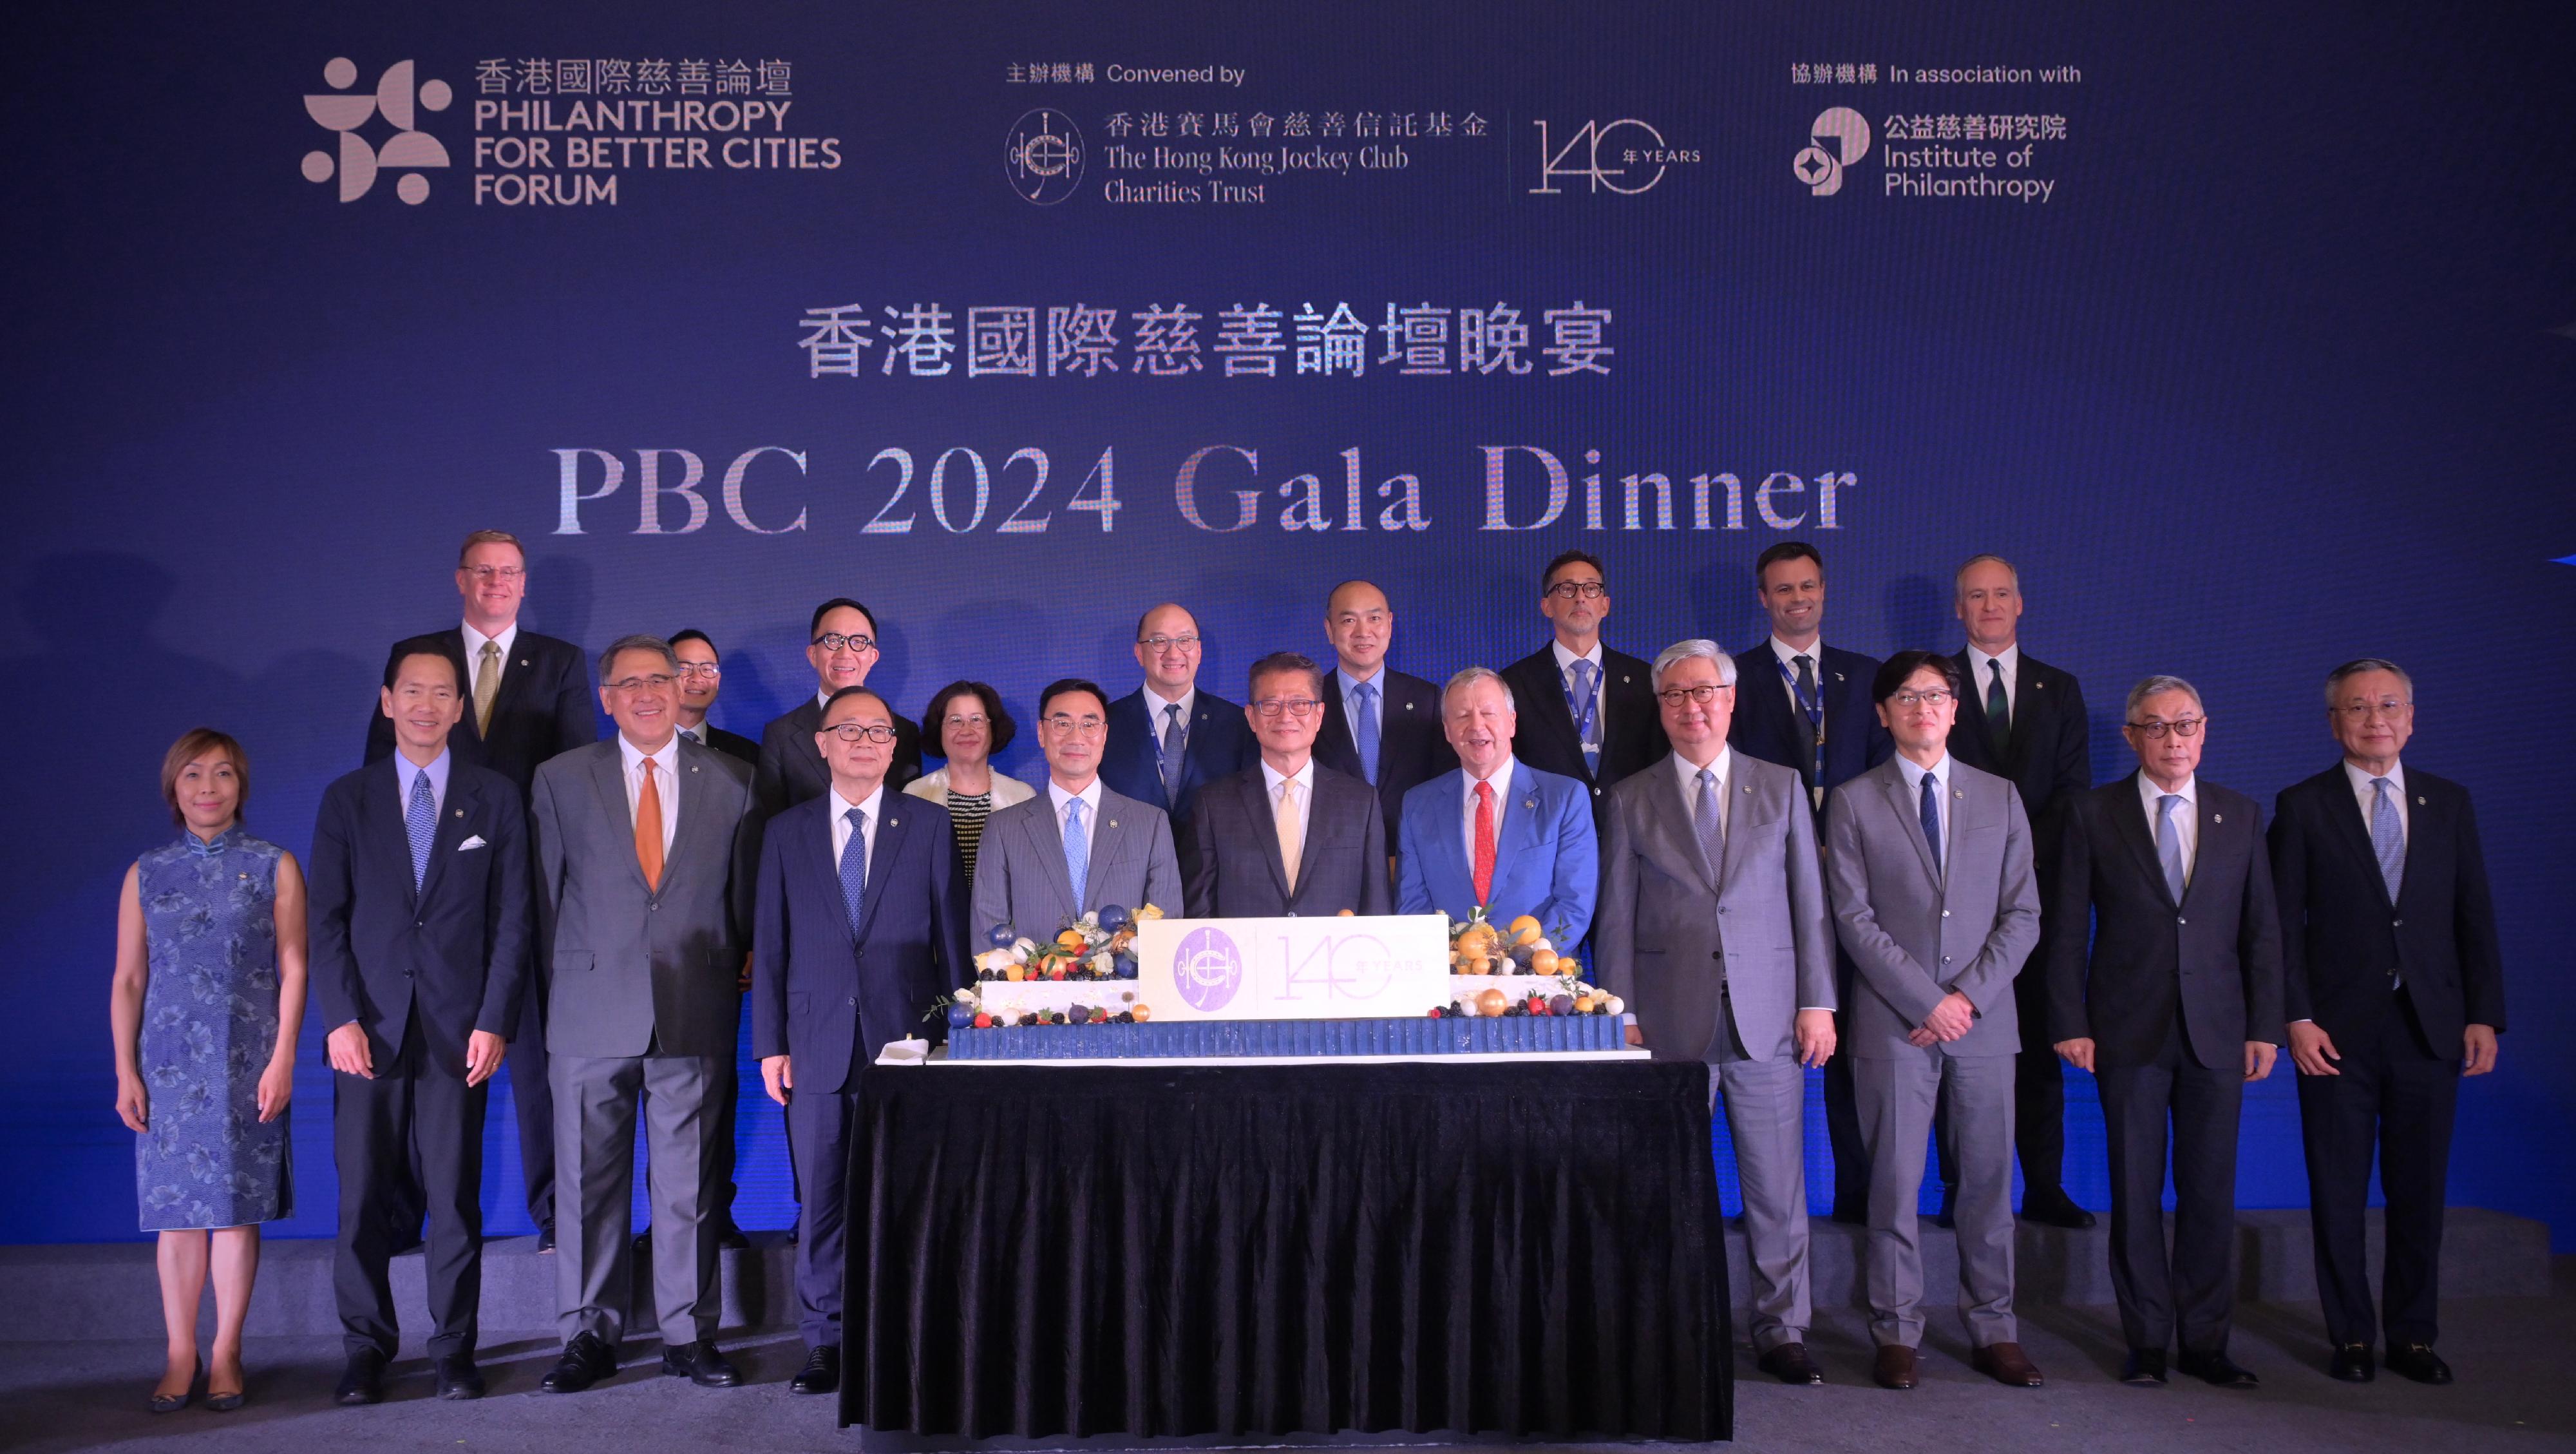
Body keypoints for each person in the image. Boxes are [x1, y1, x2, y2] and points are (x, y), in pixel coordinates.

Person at [1595, 642, 1836, 1386]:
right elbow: (1616, 922)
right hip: (1668, 1026)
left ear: (1730, 701)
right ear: (1659, 707)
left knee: (1776, 1188)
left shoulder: (1782, 785)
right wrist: (1622, 1014)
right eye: (1674, 695)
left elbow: (1809, 904)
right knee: (1664, 1183)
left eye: (1703, 692)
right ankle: (1671, 1319)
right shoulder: (1630, 797)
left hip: (1768, 1019)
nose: (1690, 706)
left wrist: (1816, 1001)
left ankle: (1782, 1326)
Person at [532, 636, 762, 1395]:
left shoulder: (733, 780)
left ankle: (687, 1335)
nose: (646, 693)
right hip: (588, 1009)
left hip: (693, 1007)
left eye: (658, 679)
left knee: (687, 1186)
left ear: (682, 687)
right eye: (628, 683)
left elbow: (739, 908)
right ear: (606, 697)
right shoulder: (561, 779)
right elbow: (542, 900)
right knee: (587, 1183)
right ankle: (586, 1335)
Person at [2270, 658, 2503, 1386]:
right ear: (2333, 720)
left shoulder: (2448, 803)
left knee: (2419, 1190)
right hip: (2335, 1033)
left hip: (2430, 1028)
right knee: (2337, 1188)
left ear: (2411, 717)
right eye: (2358, 707)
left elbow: (2474, 917)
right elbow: (2281, 926)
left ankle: (2411, 1334)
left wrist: (2483, 1015)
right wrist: (2296, 1017)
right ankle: (2351, 1336)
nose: (2375, 719)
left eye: (2388, 705)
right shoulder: (2303, 805)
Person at [309, 642, 531, 1404]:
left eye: (443, 693)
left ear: (460, 708)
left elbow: (512, 920)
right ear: (387, 701)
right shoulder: (348, 798)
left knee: (454, 1198)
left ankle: (452, 1349)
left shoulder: (494, 797)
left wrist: (495, 1017)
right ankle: (366, 1349)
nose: (427, 706)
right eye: (413, 692)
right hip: (364, 1032)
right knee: (362, 1198)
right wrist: (339, 1018)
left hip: (456, 1029)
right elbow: (325, 919)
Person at [363, 528, 594, 1253]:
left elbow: (577, 777)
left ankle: (557, 1216)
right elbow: (380, 777)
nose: (496, 582)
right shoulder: (417, 656)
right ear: (461, 579)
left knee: (536, 1066)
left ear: (525, 584)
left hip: (527, 887)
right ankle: (403, 1218)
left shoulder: (558, 660)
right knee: (414, 1061)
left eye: (509, 572)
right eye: (483, 571)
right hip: (432, 898)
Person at [2048, 675, 2282, 1389]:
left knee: (2210, 1191)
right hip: (2127, 1031)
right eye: (2156, 726)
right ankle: (2146, 1338)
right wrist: (2070, 1020)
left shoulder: (2240, 815)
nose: (2172, 739)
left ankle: (2205, 1341)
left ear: (2204, 731)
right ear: (2131, 737)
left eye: (2184, 725)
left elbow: (2263, 932)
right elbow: (2064, 929)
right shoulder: (2092, 813)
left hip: (2218, 1032)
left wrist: (2265, 1026)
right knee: (2136, 1187)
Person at [1824, 651, 2043, 1392]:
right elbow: (1852, 920)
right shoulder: (1852, 800)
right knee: (1892, 1182)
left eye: (1937, 695)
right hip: (1892, 1023)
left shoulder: (2001, 796)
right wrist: (1927, 1002)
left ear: (1955, 709)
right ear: (1883, 713)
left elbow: (2023, 914)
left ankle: (1993, 1325)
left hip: (1984, 1023)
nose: (1924, 707)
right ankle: (1896, 1330)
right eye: (1906, 697)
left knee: (1985, 1182)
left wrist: (1965, 1001)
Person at [753, 685, 971, 1397]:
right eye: (850, 730)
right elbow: (772, 946)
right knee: (820, 1200)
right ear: (821, 743)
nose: (866, 743)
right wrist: (769, 1045)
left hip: (909, 1044)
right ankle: (825, 1340)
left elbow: (953, 947)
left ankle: (903, 1332)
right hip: (814, 1044)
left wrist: (951, 1031)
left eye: (879, 732)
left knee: (907, 1194)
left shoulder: (929, 826)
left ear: (895, 746)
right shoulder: (785, 832)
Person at [110, 729, 308, 1413]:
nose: (208, 787)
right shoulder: (146, 871)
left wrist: (283, 1057)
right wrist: (124, 1071)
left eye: (223, 774)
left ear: (241, 787)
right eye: (194, 774)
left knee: (232, 1214)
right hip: (166, 1065)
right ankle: (178, 1351)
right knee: (176, 1217)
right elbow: (129, 978)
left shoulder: (273, 864)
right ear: (174, 787)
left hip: (246, 1061)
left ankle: (225, 1349)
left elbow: (294, 968)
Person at [1728, 540, 1891, 1225]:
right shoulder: (1730, 679)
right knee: (1762, 1048)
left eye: (1808, 587)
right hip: (1761, 894)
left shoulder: (1866, 675)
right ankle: (1761, 1205)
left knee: (1853, 1045)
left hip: (1856, 889)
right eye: (1782, 589)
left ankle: (1859, 1194)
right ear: (1763, 599)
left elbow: (1888, 781)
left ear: (1824, 591)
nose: (1797, 599)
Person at [1940, 555, 2096, 1230]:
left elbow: (2072, 795)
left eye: (2001, 593)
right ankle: (1960, 1191)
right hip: (1953, 893)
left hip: (2037, 892)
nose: (1990, 606)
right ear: (1959, 609)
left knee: (2037, 1043)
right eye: (1976, 596)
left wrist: (2019, 864)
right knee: (1954, 1048)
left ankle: (2045, 1187)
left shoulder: (2059, 689)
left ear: (2020, 603)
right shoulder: (1934, 686)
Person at [1396, 667, 1596, 949]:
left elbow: (1575, 904)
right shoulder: (1418, 805)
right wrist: (1461, 967)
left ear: (1512, 722)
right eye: (1463, 716)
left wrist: (1516, 964)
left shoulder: (1565, 798)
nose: (1477, 726)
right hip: (1449, 982)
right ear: (1448, 731)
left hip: (1539, 982)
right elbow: (1412, 907)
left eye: (1489, 713)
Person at [1184, 652, 1391, 918]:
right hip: (1247, 958)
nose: (1285, 716)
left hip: (1335, 957)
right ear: (1251, 718)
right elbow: (1200, 916)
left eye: (1300, 704)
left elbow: (1378, 910)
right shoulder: (1213, 804)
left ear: (1319, 715)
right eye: (1270, 705)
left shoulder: (1361, 802)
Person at [973, 679, 1181, 941]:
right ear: (1041, 732)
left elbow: (1166, 930)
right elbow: (988, 936)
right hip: (1032, 982)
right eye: (1062, 724)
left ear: (1104, 735)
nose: (1076, 737)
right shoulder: (1004, 829)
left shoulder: (1149, 824)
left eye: (1089, 724)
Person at [1496, 551, 1668, 821]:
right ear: (1547, 606)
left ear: (1605, 605)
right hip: (1549, 832)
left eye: (1591, 588)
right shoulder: (1514, 683)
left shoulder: (1643, 679)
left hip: (1630, 831)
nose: (1580, 597)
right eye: (1567, 589)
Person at [1100, 603, 1258, 859]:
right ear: (1139, 653)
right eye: (1159, 641)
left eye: (1185, 640)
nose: (1174, 654)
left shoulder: (1237, 724)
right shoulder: (1105, 725)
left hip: (1213, 882)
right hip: (1130, 883)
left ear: (1199, 650)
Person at [1312, 580, 1457, 851]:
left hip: (1410, 858)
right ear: (1329, 630)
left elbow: (1445, 787)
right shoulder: (1309, 704)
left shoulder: (1427, 698)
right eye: (1348, 620)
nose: (1363, 632)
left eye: (1374, 618)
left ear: (1390, 624)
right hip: (1331, 860)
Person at [756, 598, 923, 819]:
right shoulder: (781, 735)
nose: (845, 653)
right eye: (833, 640)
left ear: (873, 657)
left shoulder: (904, 733)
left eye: (859, 641)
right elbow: (773, 825)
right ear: (813, 654)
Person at [903, 680, 1035, 886]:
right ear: (939, 730)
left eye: (977, 720)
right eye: (955, 720)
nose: (967, 730)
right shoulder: (915, 795)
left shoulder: (1022, 797)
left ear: (993, 729)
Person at [668, 629, 760, 765]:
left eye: (707, 669)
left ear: (718, 680)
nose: (697, 678)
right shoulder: (638, 748)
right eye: (684, 668)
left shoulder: (747, 755)